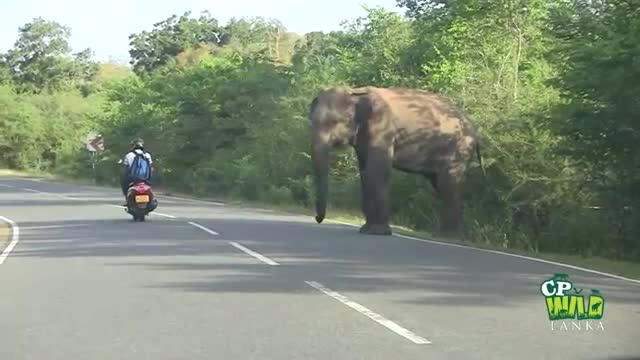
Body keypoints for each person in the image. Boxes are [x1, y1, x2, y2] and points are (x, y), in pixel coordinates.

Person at [120, 138, 153, 205]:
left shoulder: (129, 155)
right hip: (145, 178)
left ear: (133, 146)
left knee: (124, 183)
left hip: (132, 178)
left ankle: (127, 200)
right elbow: (150, 167)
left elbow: (125, 168)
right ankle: (151, 200)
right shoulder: (147, 155)